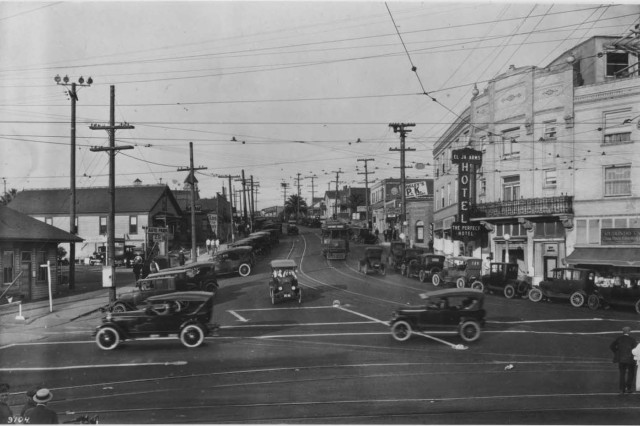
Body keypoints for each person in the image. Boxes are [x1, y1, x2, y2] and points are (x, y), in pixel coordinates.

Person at [610, 326, 637, 394]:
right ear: (629, 331)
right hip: (630, 359)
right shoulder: (632, 339)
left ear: (623, 331)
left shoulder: (619, 338)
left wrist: (617, 352)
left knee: (622, 374)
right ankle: (628, 388)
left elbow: (612, 346)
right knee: (631, 374)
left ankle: (621, 389)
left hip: (621, 359)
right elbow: (635, 350)